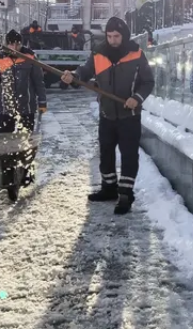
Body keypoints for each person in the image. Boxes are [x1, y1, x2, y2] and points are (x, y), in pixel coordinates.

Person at [61, 16, 154, 215]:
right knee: (106, 152)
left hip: (129, 115)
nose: (112, 40)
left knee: (129, 155)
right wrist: (73, 76)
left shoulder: (136, 54)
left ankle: (126, 194)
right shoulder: (99, 53)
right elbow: (84, 72)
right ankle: (109, 188)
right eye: (109, 36)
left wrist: (136, 98)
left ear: (124, 35)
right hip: (107, 113)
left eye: (116, 36)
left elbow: (148, 82)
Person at [0, 30, 47, 183]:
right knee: (6, 144)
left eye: (18, 43)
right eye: (12, 43)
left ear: (22, 43)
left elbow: (38, 82)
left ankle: (27, 172)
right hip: (6, 109)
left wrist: (42, 102)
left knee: (26, 141)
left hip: (26, 107)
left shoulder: (30, 58)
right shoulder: (0, 58)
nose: (15, 46)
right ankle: (7, 175)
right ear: (7, 43)